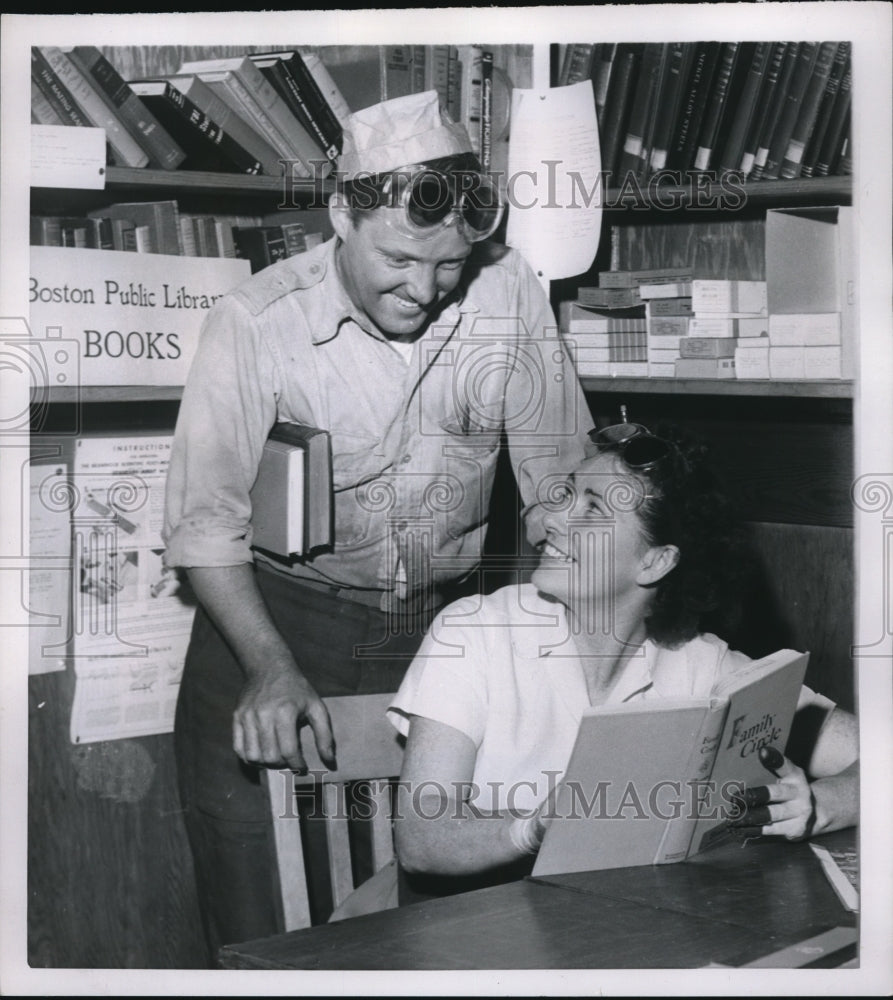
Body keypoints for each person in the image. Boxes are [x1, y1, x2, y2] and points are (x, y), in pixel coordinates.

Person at [162, 89, 593, 960]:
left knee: (432, 927)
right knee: (264, 929)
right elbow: (206, 526)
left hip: (434, 637)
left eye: (449, 266)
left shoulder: (506, 291)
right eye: (400, 259)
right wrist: (272, 669)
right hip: (278, 628)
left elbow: (562, 486)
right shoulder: (256, 322)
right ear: (339, 218)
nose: (427, 290)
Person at [387, 416, 859, 901]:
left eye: (591, 511)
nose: (550, 520)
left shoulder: (702, 666)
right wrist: (535, 826)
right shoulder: (474, 631)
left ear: (655, 562)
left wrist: (818, 806)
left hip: (610, 928)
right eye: (566, 496)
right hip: (468, 929)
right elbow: (422, 842)